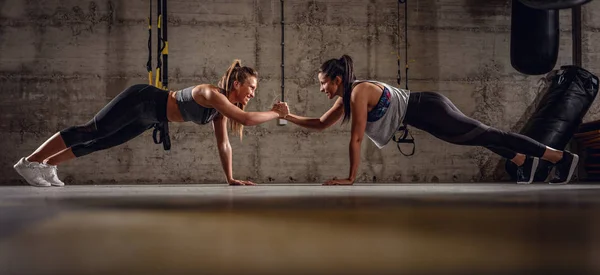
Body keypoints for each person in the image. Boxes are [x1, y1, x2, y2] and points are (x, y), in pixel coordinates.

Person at [277, 54, 579, 185]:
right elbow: (319, 123)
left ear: (337, 78)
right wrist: (287, 116)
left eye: (323, 83)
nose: (321, 88)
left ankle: (558, 157)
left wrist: (350, 177)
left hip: (432, 109)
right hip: (429, 116)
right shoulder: (347, 98)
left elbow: (355, 137)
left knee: (491, 134)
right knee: (483, 137)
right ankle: (521, 162)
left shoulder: (357, 93)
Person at [14, 60, 287, 187]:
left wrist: (230, 179)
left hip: (150, 118)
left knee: (101, 142)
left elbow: (224, 144)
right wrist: (277, 113)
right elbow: (248, 119)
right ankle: (31, 162)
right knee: (93, 129)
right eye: (251, 87)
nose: (252, 93)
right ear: (236, 84)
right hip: (142, 101)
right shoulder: (210, 94)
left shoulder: (220, 110)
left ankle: (50, 165)